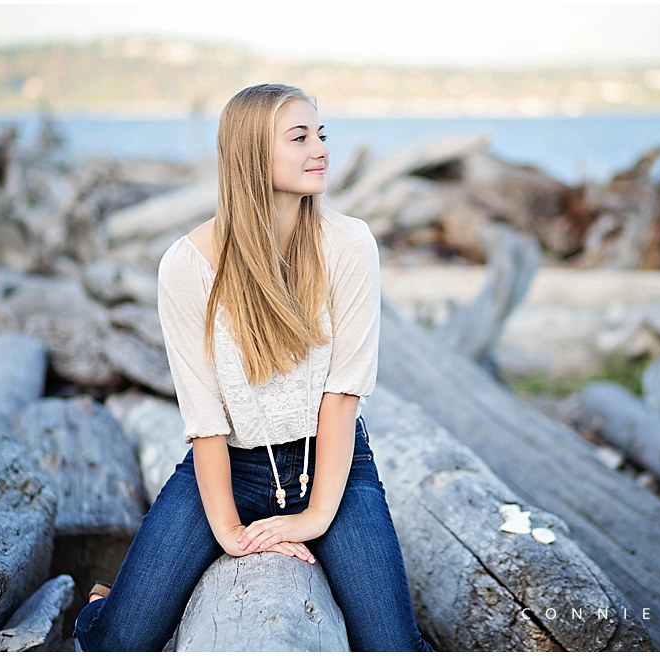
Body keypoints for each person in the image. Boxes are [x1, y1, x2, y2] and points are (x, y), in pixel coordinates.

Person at [72, 83, 435, 652]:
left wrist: (313, 518)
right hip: (227, 469)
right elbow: (204, 419)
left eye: (320, 133)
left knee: (393, 645)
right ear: (251, 154)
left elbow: (343, 395)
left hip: (333, 465)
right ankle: (101, 608)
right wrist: (231, 534)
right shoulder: (187, 265)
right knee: (119, 640)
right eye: (299, 137)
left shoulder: (349, 244)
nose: (319, 148)